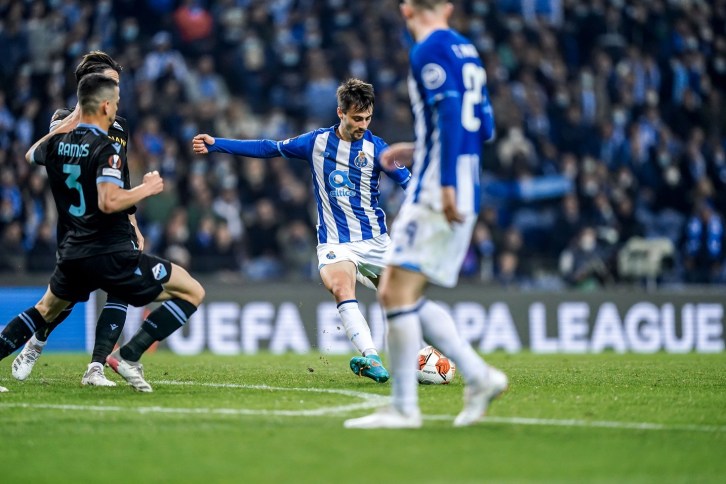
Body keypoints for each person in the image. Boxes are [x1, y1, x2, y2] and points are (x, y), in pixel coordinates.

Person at [344, 0, 507, 429]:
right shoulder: (466, 50)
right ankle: (477, 377)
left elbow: (451, 114)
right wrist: (420, 148)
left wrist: (445, 182)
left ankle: (406, 407)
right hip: (465, 183)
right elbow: (484, 126)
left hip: (438, 189)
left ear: (406, 9)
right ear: (448, 7)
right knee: (400, 293)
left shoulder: (427, 49)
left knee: (395, 292)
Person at [192, 78, 411, 383]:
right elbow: (268, 148)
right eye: (357, 118)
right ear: (341, 113)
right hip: (335, 242)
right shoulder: (315, 143)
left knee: (405, 300)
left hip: (375, 241)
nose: (363, 125)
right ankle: (371, 357)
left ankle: (426, 355)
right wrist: (218, 144)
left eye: (368, 118)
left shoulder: (377, 148)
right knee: (341, 287)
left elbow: (409, 184)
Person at [0, 73, 205, 392]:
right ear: (105, 105)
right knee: (192, 291)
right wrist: (146, 189)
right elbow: (109, 201)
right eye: (116, 101)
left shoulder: (57, 142)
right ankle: (128, 355)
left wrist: (68, 123)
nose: (118, 107)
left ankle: (95, 362)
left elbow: (30, 155)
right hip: (108, 250)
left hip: (73, 250)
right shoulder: (107, 147)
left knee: (44, 310)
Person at [11, 51, 139, 387]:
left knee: (122, 288)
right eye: (110, 83)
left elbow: (122, 177)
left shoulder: (121, 126)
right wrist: (82, 113)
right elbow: (44, 154)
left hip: (114, 222)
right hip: (78, 224)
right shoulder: (62, 118)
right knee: (66, 298)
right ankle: (36, 342)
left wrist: (134, 224)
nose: (116, 91)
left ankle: (96, 367)